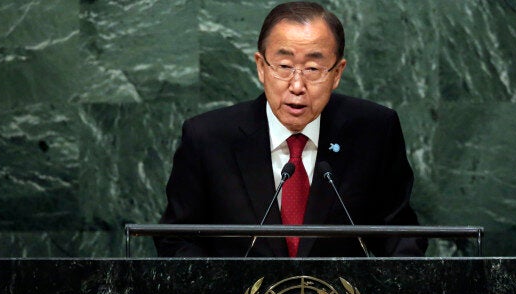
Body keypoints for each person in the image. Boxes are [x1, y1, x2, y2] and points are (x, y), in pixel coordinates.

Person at [154, 1, 427, 257]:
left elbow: (400, 234)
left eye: (312, 68)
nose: (297, 86)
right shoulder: (208, 138)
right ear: (261, 67)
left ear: (337, 73)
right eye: (284, 66)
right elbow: (177, 238)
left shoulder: (374, 131)